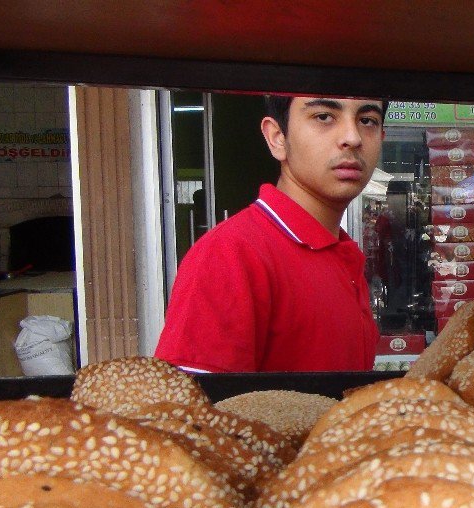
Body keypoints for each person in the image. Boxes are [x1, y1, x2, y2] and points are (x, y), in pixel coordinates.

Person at [155, 95, 385, 373]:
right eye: (324, 117)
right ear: (277, 137)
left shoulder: (341, 253)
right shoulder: (230, 254)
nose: (352, 137)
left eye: (367, 121)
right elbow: (190, 409)